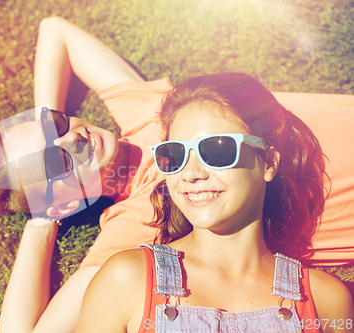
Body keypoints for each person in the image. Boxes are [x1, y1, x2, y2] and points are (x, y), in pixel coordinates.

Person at [0, 17, 354, 333]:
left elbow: (55, 31)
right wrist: (43, 219)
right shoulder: (134, 226)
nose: (74, 138)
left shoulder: (145, 111)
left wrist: (44, 140)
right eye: (57, 163)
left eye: (56, 124)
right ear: (62, 202)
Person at [74, 73, 354, 333]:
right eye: (175, 154)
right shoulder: (126, 279)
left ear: (268, 162)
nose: (192, 173)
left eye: (218, 150)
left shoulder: (325, 300)